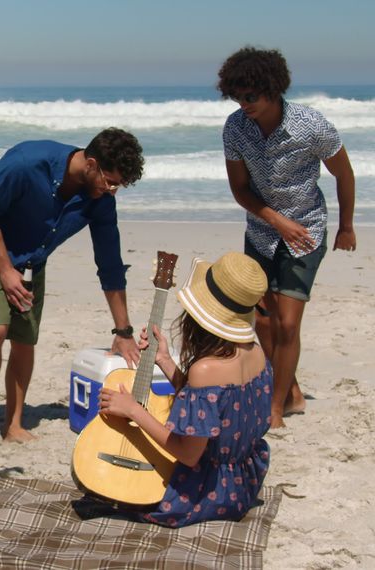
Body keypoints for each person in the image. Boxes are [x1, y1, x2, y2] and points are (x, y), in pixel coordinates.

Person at [0, 128, 146, 442]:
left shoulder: (100, 201)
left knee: (24, 338)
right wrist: (5, 270)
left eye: (120, 185)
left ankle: (15, 424)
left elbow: (110, 266)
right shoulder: (26, 161)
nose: (113, 190)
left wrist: (123, 332)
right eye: (110, 181)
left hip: (33, 260)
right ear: (90, 165)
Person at [217, 46, 357, 429]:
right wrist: (276, 221)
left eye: (250, 96)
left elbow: (344, 174)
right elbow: (240, 191)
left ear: (272, 89)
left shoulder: (312, 126)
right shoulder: (235, 129)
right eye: (236, 96)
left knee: (288, 324)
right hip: (262, 231)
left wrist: (346, 226)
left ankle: (276, 407)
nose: (243, 104)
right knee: (262, 322)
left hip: (306, 230)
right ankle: (291, 391)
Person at [99, 252, 272, 527]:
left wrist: (133, 409)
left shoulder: (204, 369)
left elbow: (189, 454)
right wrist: (165, 360)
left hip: (206, 492)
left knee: (108, 492)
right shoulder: (257, 353)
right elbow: (213, 407)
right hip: (242, 483)